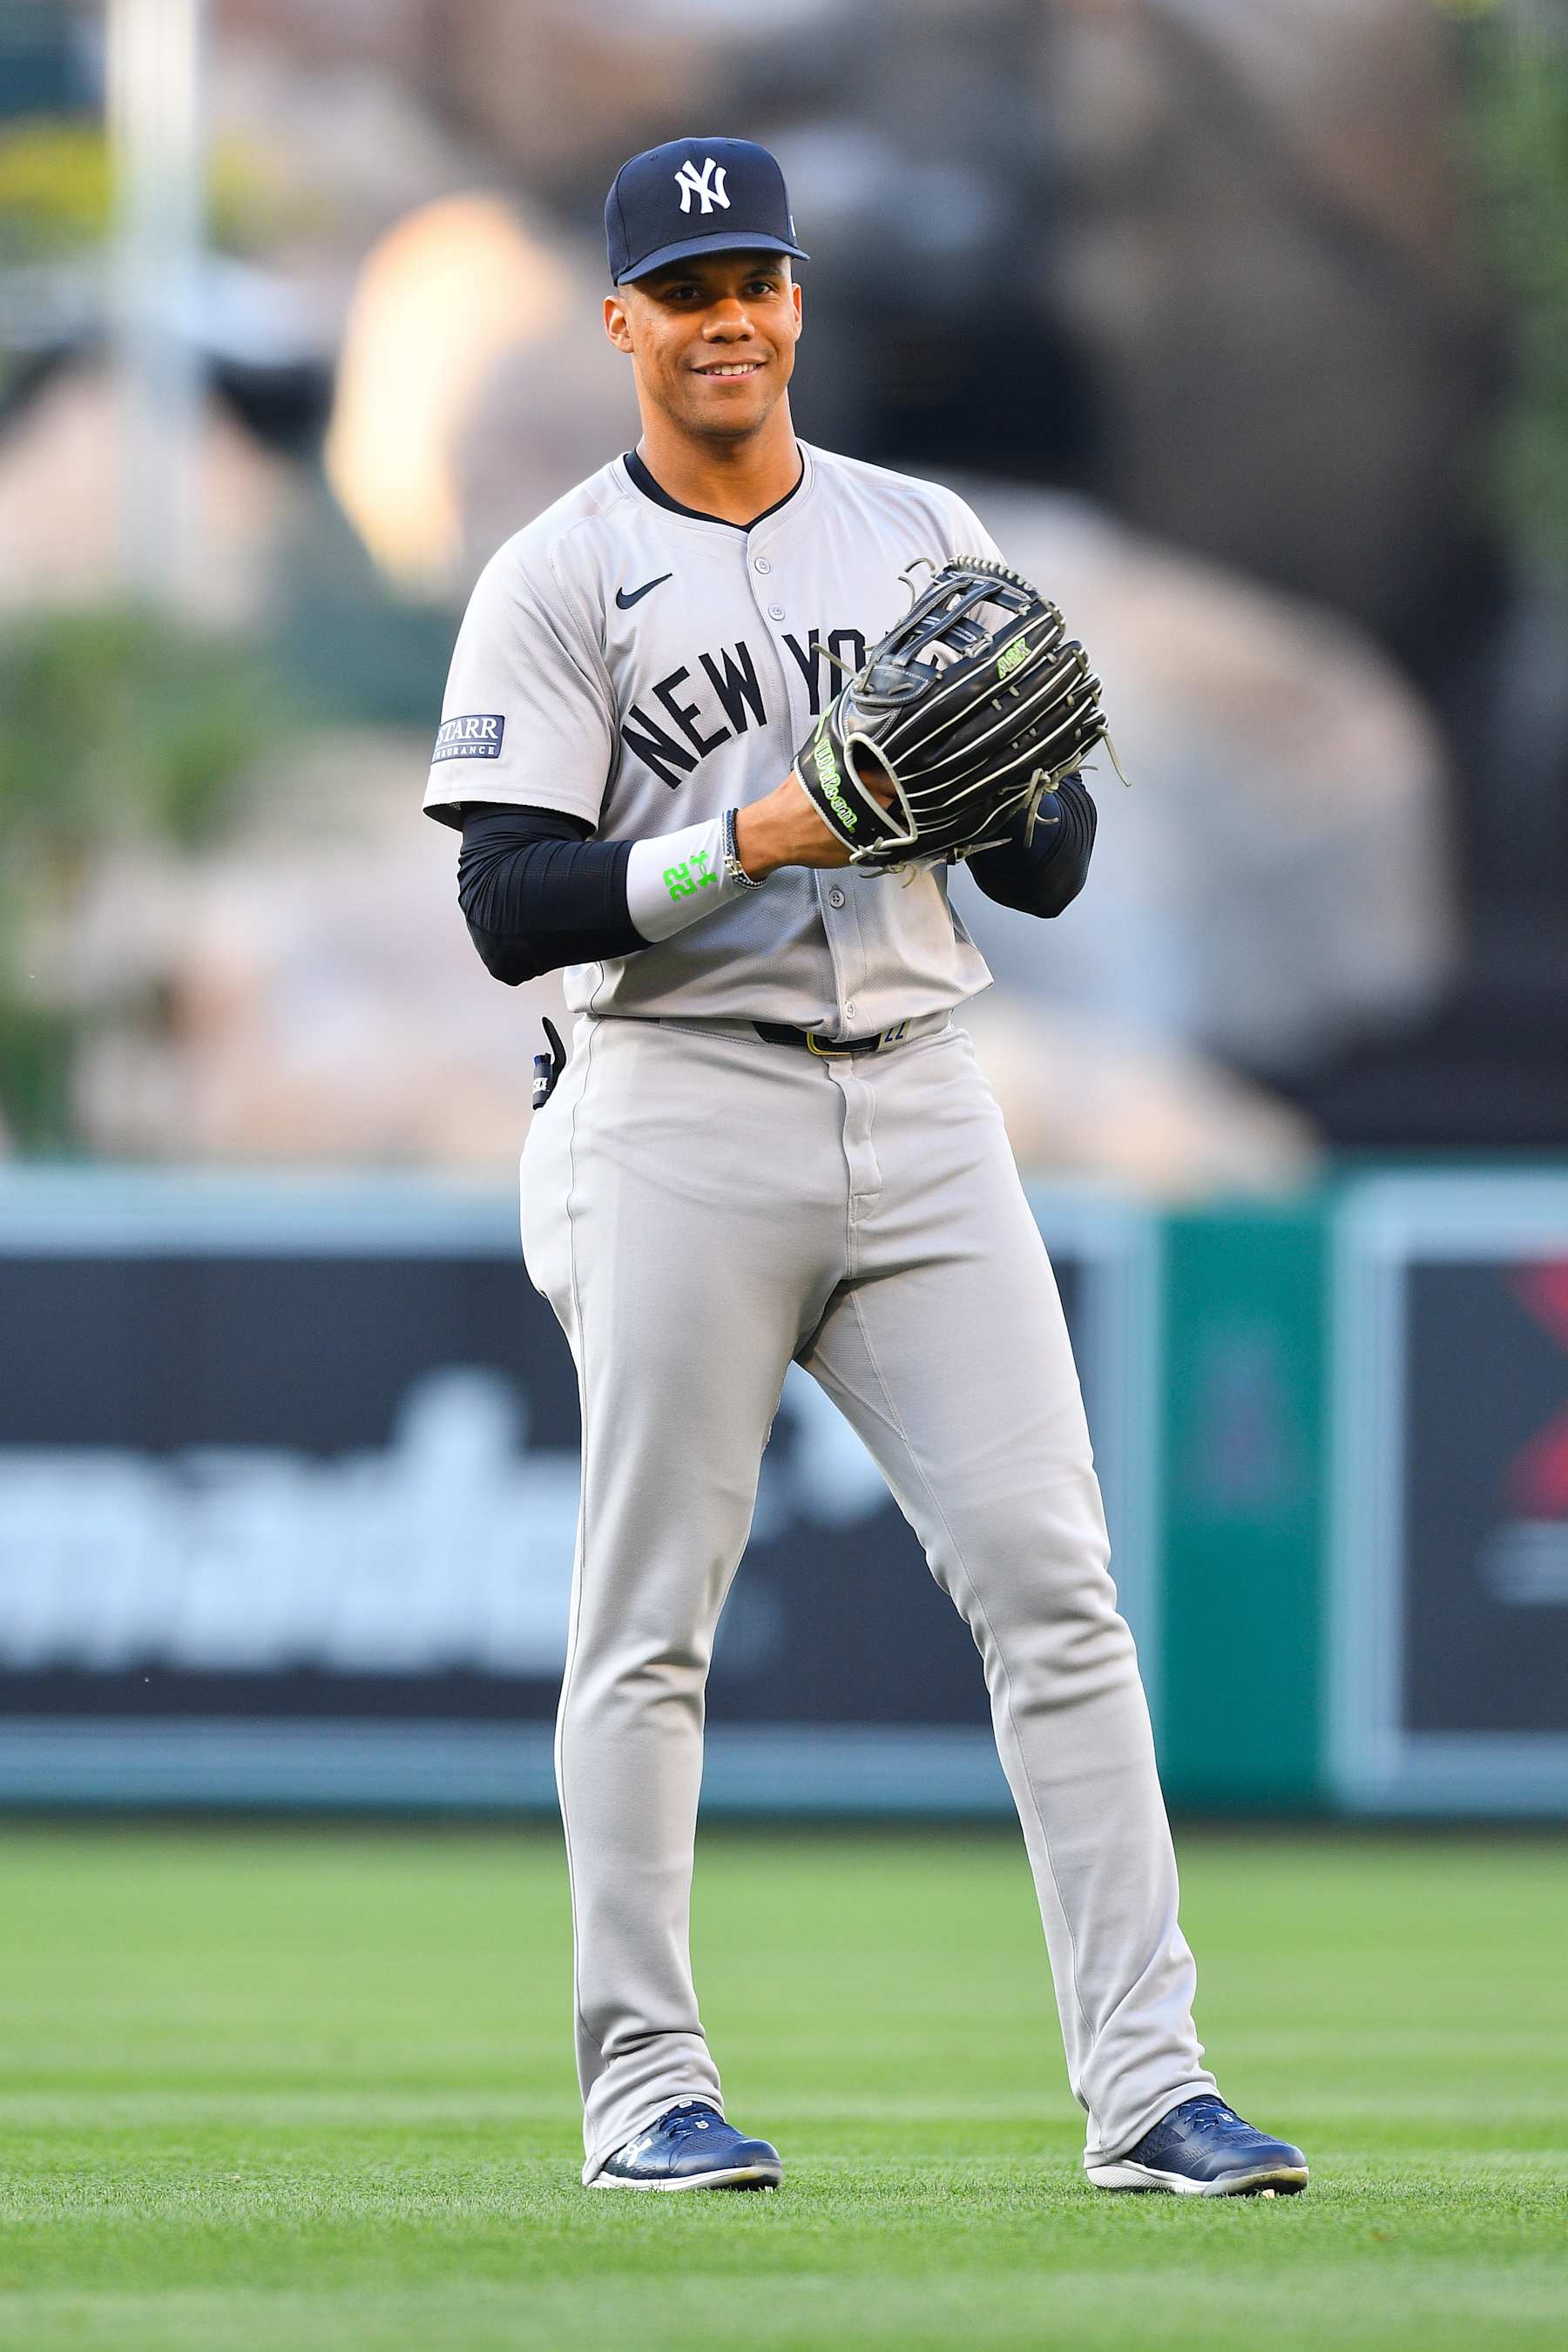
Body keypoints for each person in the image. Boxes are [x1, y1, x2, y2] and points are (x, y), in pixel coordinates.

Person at [425, 135, 1308, 2200]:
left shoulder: (923, 531)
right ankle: (645, 2094)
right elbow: (507, 906)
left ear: (798, 305)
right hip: (669, 1105)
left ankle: (1152, 2091)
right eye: (689, 284)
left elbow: (1054, 863)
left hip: (921, 1093)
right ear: (626, 322)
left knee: (1057, 1593)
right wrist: (758, 831)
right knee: (650, 1625)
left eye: (759, 278)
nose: (730, 315)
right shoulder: (558, 571)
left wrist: (999, 788)